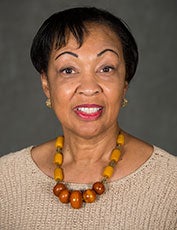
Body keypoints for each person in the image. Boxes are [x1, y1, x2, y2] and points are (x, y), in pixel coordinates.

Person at [0, 7, 176, 230]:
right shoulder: (5, 180)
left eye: (106, 68)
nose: (89, 88)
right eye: (68, 70)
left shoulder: (171, 183)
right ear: (46, 84)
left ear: (124, 83)